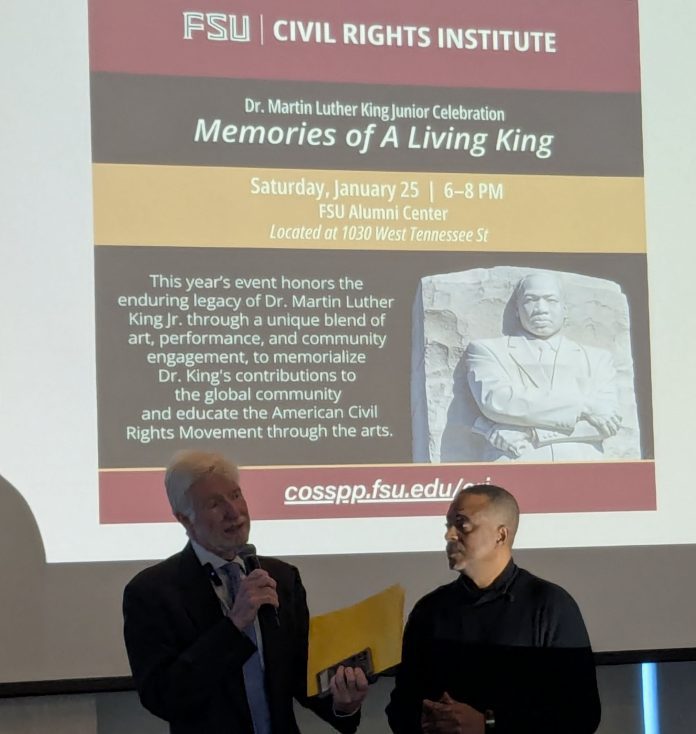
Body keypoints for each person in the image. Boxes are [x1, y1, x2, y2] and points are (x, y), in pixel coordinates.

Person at [123, 450, 368, 734]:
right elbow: (162, 696)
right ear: (185, 519)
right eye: (215, 504)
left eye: (236, 495)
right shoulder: (152, 592)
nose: (234, 512)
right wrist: (233, 625)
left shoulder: (282, 578)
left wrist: (343, 704)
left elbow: (300, 675)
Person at [386, 484, 601, 734]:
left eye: (462, 524)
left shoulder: (550, 606)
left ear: (501, 535)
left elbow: (582, 715)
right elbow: (401, 709)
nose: (450, 536)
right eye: (448, 526)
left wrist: (488, 724)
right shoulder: (429, 610)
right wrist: (429, 720)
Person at [465, 271, 622, 461]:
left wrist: (531, 433)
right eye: (531, 300)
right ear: (517, 309)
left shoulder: (597, 359)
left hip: (583, 468)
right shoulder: (487, 350)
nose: (541, 308)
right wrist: (583, 406)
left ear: (565, 309)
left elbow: (607, 424)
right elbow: (498, 401)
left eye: (551, 300)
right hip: (516, 465)